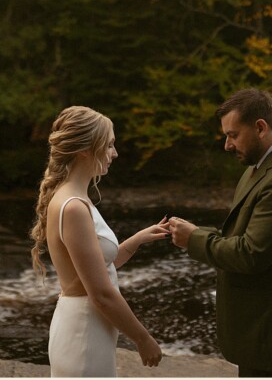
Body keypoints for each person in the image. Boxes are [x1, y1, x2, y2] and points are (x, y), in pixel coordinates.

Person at [168, 88, 272, 377]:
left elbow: (250, 254)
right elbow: (243, 236)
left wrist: (193, 238)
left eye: (233, 135)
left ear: (260, 127)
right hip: (263, 328)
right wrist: (195, 231)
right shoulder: (263, 166)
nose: (227, 145)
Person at [29, 106, 167, 376]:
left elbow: (96, 268)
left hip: (87, 328)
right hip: (84, 333)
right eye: (110, 145)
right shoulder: (74, 207)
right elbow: (101, 294)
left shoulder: (73, 197)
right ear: (84, 149)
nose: (114, 153)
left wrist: (135, 241)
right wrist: (143, 339)